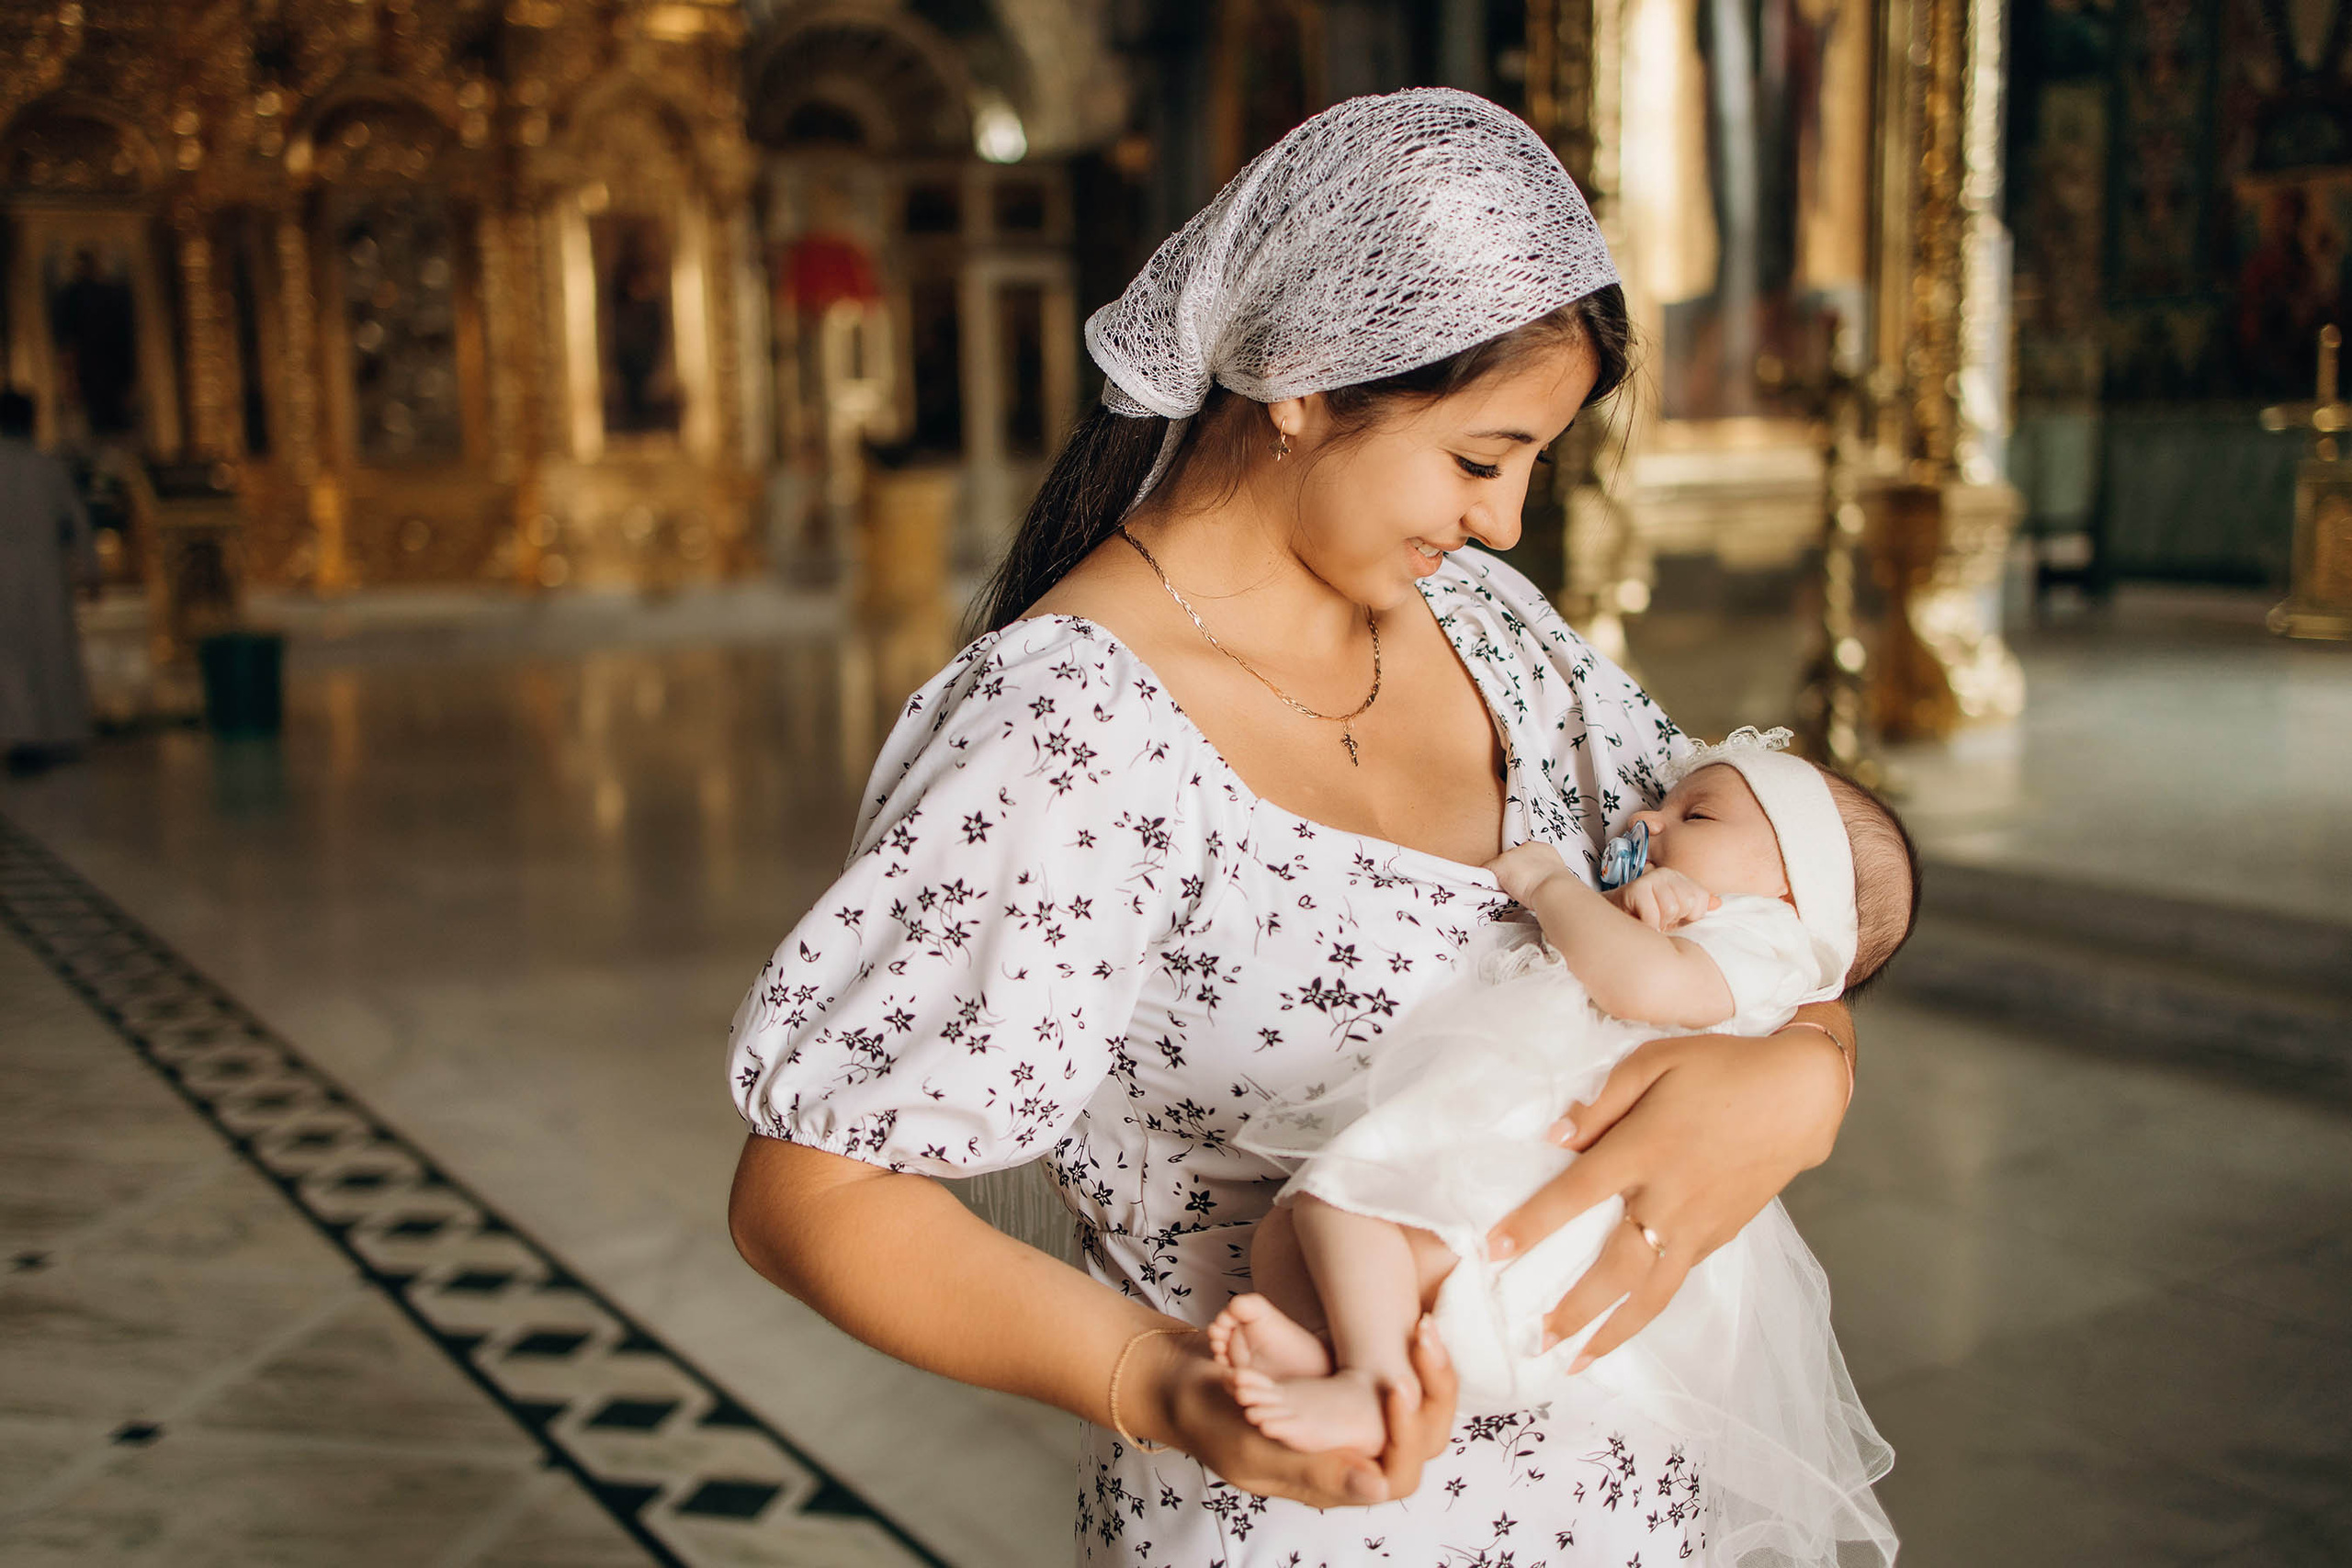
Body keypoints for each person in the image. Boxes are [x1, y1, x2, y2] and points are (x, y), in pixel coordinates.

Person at [727, 89, 1861, 1563]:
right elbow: (810, 1188)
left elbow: (1784, 898)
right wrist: (1170, 1386)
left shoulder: (1495, 632)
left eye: (1533, 463)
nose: (1510, 520)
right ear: (1308, 383)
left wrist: (1804, 1075)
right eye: (1478, 456)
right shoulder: (1073, 730)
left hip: (1639, 1507)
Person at [1216, 727, 1917, 1566]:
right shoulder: (1713, 920)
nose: (1650, 819)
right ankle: (1335, 1355)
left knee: (1349, 1207)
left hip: (1549, 1166)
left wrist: (1554, 884)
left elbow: (1643, 984)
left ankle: (1374, 1382)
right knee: (1291, 1234)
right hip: (1518, 1134)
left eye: (1699, 813)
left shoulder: (1767, 939)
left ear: (1793, 888)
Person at [0, 388, 99, 773]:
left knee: (11, 658)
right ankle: (59, 733)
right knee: (51, 653)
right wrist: (90, 570)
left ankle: (23, 736)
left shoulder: (43, 466)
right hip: (46, 576)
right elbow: (78, 522)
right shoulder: (47, 467)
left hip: (6, 577)